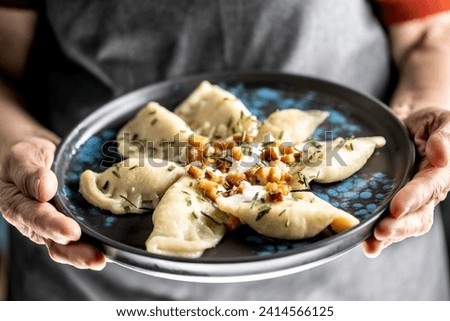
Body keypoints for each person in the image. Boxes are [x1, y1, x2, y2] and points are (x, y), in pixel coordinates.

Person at [0, 0, 449, 300]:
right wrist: (12, 140)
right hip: (92, 280)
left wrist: (426, 111)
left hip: (363, 282)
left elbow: (432, 33)